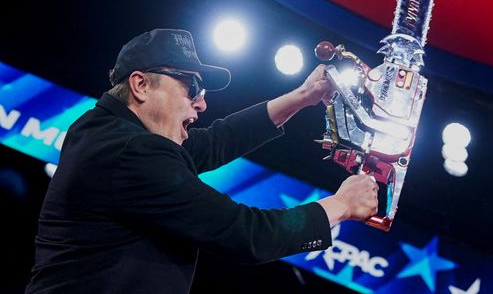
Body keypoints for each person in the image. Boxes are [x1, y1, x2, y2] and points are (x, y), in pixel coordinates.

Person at [26, 28, 378, 293]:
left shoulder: (103, 132)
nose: (201, 104)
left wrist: (303, 96)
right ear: (141, 85)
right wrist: (341, 205)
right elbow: (246, 234)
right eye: (191, 88)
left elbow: (213, 142)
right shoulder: (130, 152)